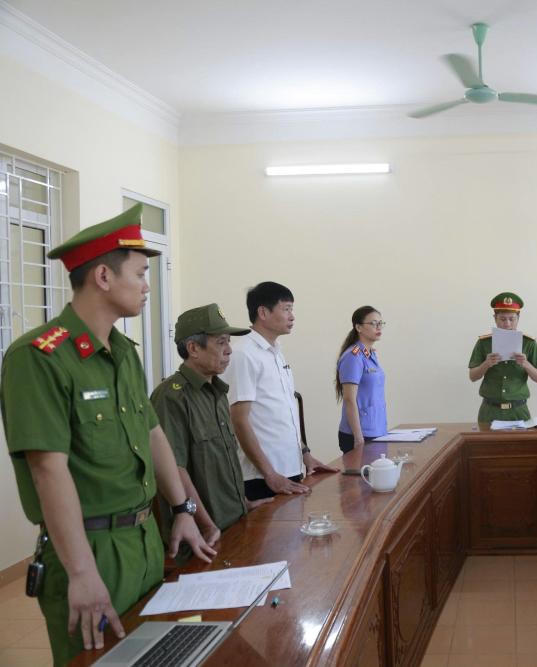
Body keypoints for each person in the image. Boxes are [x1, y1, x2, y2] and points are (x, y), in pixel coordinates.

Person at [0, 205, 214, 664]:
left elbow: (153, 434)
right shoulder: (38, 357)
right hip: (89, 550)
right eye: (139, 274)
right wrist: (81, 572)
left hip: (144, 538)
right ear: (102, 276)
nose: (146, 286)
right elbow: (47, 470)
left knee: (157, 655)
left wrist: (182, 509)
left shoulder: (122, 352)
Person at [150, 304, 260, 553]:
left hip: (233, 523)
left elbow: (221, 460)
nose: (229, 350)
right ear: (193, 348)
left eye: (229, 341)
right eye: (221, 342)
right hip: (201, 537)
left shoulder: (217, 393)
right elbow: (174, 469)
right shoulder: (171, 397)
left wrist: (243, 503)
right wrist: (207, 525)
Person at [222, 282, 336, 502]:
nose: (292, 316)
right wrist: (270, 474)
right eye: (286, 309)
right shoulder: (244, 354)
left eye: (292, 309)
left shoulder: (275, 351)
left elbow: (283, 412)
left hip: (289, 469)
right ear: (263, 312)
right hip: (262, 477)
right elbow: (239, 420)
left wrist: (305, 454)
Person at [468, 292, 537, 423]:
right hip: (489, 411)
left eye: (512, 319)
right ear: (495, 318)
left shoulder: (529, 343)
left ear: (518, 318)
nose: (507, 324)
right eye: (503, 319)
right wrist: (486, 364)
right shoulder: (483, 343)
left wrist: (526, 364)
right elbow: (473, 377)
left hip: (518, 410)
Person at [335, 306, 388, 469]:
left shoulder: (371, 354)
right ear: (358, 327)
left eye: (381, 323)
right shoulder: (354, 356)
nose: (378, 327)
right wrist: (358, 438)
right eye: (373, 323)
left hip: (376, 429)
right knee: (360, 482)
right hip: (360, 434)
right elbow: (349, 399)